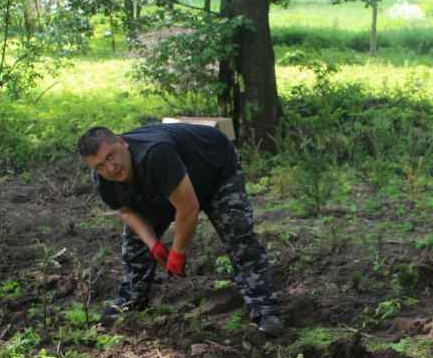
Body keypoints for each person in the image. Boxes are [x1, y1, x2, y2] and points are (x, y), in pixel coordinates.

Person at [77, 123, 284, 335]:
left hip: (214, 169)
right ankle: (131, 301)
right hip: (168, 184)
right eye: (100, 166)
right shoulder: (104, 180)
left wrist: (177, 252)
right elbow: (127, 212)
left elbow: (188, 208)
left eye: (111, 157)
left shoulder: (155, 153)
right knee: (135, 245)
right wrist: (153, 244)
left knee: (238, 234)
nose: (110, 169)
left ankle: (265, 308)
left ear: (122, 143)